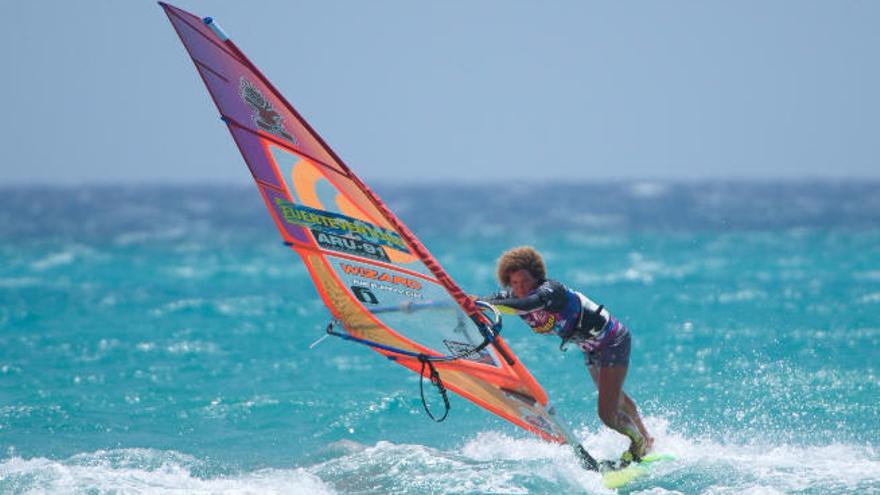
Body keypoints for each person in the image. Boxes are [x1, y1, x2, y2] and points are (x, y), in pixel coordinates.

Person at [478, 246, 653, 462]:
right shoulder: (510, 297)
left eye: (525, 281)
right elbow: (492, 301)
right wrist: (472, 303)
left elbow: (527, 304)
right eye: (514, 283)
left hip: (611, 341)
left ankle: (640, 443)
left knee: (607, 414)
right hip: (589, 347)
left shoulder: (551, 291)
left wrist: (487, 304)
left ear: (537, 278)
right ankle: (647, 437)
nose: (520, 288)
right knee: (614, 396)